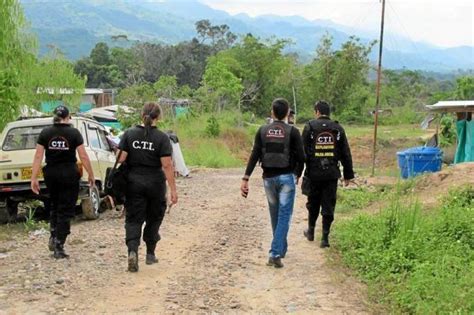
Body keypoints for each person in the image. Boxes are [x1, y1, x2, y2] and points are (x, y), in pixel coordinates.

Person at [241, 98, 305, 268]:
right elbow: (301, 157)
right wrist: (297, 174)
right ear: (287, 113)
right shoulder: (293, 131)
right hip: (286, 178)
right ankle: (275, 252)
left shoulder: (262, 130)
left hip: (268, 179)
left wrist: (246, 178)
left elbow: (255, 155)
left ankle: (281, 248)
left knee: (275, 214)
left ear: (272, 112)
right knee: (284, 215)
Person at [117, 102, 178, 272]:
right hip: (155, 184)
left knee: (134, 219)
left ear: (141, 114)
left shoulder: (129, 134)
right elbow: (167, 165)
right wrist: (173, 190)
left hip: (133, 182)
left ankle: (132, 251)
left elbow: (120, 158)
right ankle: (150, 254)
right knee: (154, 217)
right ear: (158, 117)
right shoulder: (162, 138)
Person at [31, 105, 95, 259]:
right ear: (68, 117)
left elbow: (38, 156)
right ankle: (59, 244)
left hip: (51, 173)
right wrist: (90, 174)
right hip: (68, 174)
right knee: (66, 208)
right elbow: (83, 156)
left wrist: (33, 177)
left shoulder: (46, 132)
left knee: (54, 204)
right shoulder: (73, 133)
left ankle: (53, 236)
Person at [302, 100, 354, 248]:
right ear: (328, 113)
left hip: (313, 173)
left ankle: (311, 231)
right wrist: (348, 175)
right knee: (328, 204)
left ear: (317, 112)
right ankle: (325, 238)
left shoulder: (309, 127)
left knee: (313, 202)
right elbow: (345, 153)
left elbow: (301, 152)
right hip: (331, 174)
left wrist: (297, 173)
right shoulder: (338, 128)